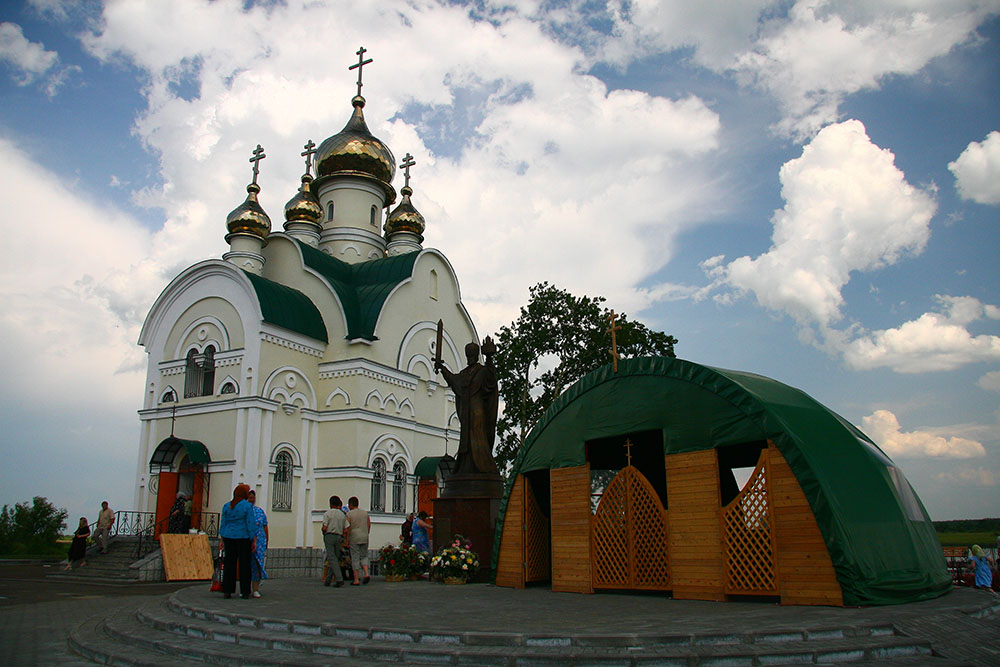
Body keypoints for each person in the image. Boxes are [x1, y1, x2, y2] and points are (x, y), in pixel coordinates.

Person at [434, 339, 500, 477]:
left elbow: (491, 378)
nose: (469, 358)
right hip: (466, 413)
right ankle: (466, 467)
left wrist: (489, 357)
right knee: (467, 442)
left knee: (478, 439)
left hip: (477, 413)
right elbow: (453, 380)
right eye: (468, 356)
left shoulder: (482, 371)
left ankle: (484, 468)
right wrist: (442, 368)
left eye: (472, 356)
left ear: (476, 356)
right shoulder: (464, 373)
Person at [219, 484, 257, 599]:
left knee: (229, 563)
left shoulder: (227, 506)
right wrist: (253, 539)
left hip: (228, 537)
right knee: (244, 564)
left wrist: (222, 538)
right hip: (243, 537)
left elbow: (223, 522)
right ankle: (245, 591)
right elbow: (250, 523)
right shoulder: (247, 506)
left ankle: (227, 590)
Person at [321, 495, 348, 588]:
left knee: (332, 558)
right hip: (339, 537)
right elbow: (346, 529)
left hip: (329, 536)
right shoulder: (342, 514)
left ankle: (339, 579)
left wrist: (323, 531)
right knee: (335, 558)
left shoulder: (327, 513)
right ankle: (328, 580)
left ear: (330, 504)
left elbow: (324, 527)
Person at [247, 490, 269, 598]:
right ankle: (246, 588)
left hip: (260, 542)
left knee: (257, 565)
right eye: (249, 497)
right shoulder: (244, 511)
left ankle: (255, 589)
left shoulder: (259, 511)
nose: (251, 500)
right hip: (247, 541)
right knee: (247, 565)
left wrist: (266, 541)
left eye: (253, 498)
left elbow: (265, 526)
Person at [345, 496, 371, 585]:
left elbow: (347, 527)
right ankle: (366, 573)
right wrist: (367, 533)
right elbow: (369, 524)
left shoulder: (349, 514)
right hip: (364, 536)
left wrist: (346, 539)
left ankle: (356, 579)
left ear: (350, 505)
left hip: (354, 537)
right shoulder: (365, 513)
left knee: (355, 557)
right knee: (364, 555)